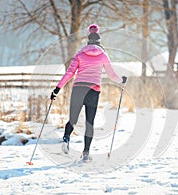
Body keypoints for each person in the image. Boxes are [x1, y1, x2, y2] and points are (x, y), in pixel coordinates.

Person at [50, 24, 127, 162]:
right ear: (99, 41)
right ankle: (86, 154)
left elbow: (70, 73)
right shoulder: (103, 55)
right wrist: (122, 80)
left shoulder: (80, 54)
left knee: (73, 119)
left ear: (88, 40)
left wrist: (57, 88)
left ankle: (66, 138)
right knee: (89, 123)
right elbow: (111, 74)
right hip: (93, 91)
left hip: (78, 89)